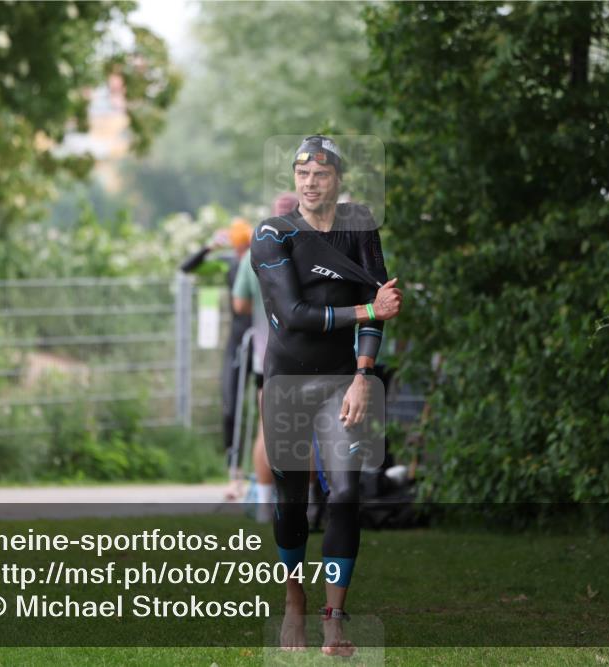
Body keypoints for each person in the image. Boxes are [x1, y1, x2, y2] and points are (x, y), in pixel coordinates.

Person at [251, 135, 403, 655]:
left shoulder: (359, 227)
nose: (310, 183)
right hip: (288, 383)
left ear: (337, 179)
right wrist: (369, 312)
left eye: (321, 175)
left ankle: (334, 617)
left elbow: (376, 298)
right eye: (302, 175)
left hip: (342, 382)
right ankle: (293, 595)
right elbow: (295, 315)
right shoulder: (273, 233)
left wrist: (364, 375)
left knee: (345, 493)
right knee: (292, 504)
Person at [230, 193, 298, 515]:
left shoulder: (253, 253)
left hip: (265, 355)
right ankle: (307, 508)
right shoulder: (311, 250)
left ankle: (263, 506)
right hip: (305, 353)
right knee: (305, 428)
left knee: (266, 428)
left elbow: (239, 304)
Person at [180, 218, 254, 464]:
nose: (240, 251)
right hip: (237, 339)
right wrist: (210, 247)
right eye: (238, 246)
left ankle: (266, 464)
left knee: (269, 404)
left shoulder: (263, 262)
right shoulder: (228, 264)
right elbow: (188, 267)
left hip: (263, 337)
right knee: (230, 403)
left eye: (243, 246)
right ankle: (232, 461)